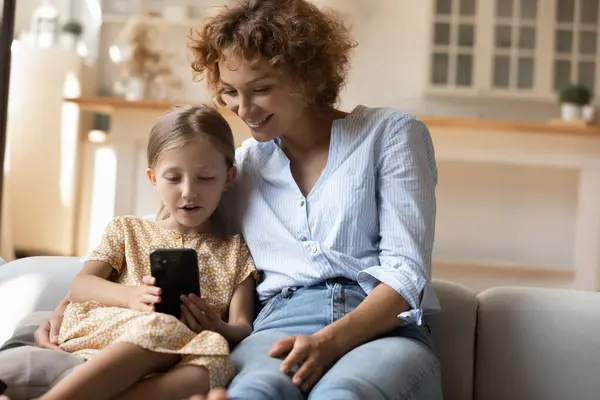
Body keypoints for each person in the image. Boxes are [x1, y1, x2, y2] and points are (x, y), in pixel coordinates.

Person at [33, 0, 443, 398]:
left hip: (382, 328)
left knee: (343, 392)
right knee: (254, 391)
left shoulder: (390, 134)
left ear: (308, 76)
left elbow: (407, 275)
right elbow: (168, 231)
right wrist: (68, 304)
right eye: (229, 91)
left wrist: (329, 341)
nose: (242, 109)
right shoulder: (241, 165)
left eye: (260, 89)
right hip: (277, 322)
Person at [37, 104, 257, 400]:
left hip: (180, 350)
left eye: (205, 178)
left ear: (228, 178)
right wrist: (131, 297)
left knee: (217, 357)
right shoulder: (127, 230)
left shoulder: (235, 251)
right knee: (166, 324)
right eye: (174, 178)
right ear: (153, 178)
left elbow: (242, 326)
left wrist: (218, 326)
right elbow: (81, 286)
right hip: (110, 330)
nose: (189, 191)